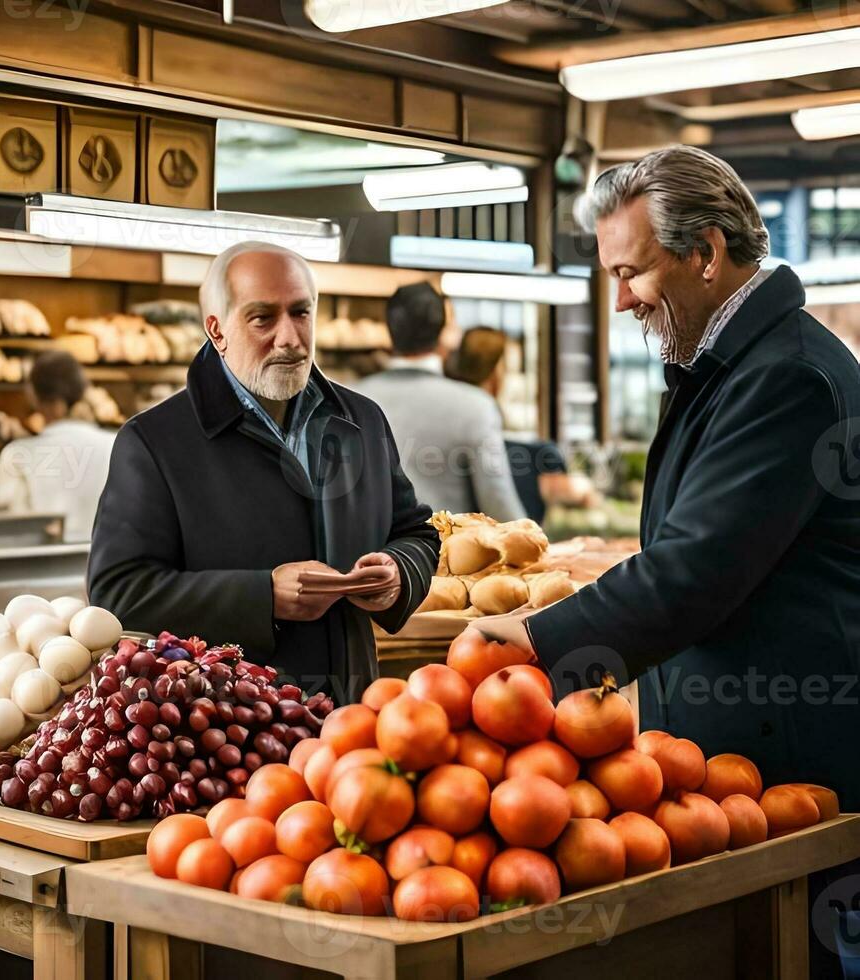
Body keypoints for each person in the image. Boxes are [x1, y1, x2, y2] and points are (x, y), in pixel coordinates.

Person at [469, 145, 860, 812]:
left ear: (706, 254)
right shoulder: (736, 365)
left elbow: (695, 569)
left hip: (793, 750)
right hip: (743, 743)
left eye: (631, 273)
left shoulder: (786, 377)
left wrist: (541, 640)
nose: (620, 301)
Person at [87, 241, 440, 698]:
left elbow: (416, 531)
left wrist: (399, 572)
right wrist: (263, 596)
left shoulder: (361, 421)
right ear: (217, 330)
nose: (290, 337)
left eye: (301, 312)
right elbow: (119, 593)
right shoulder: (154, 442)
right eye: (263, 318)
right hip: (229, 734)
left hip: (349, 724)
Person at [357, 283, 527, 521]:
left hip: (369, 557)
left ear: (390, 329)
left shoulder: (353, 401)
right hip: (445, 556)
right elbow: (500, 508)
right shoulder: (476, 407)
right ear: (444, 332)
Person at [447, 327, 598, 523]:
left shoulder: (451, 403)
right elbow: (495, 494)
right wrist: (526, 534)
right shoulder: (481, 408)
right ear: (496, 371)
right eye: (513, 370)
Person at [0, 350, 115, 543]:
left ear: (33, 395)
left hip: (44, 568)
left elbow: (12, 530)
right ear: (82, 390)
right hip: (107, 566)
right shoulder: (116, 444)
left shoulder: (17, 455)